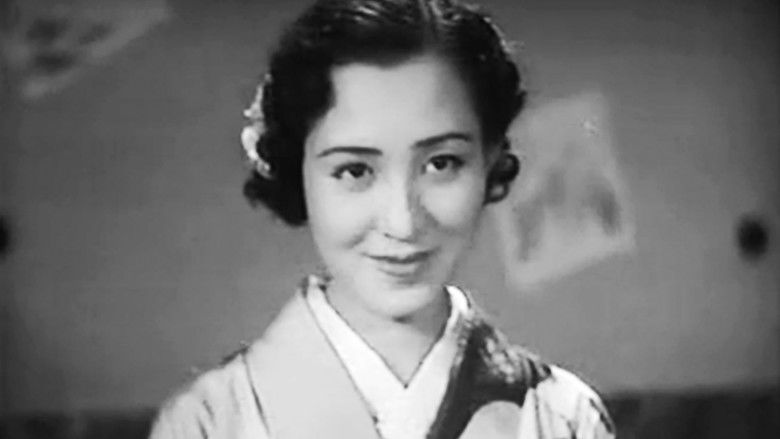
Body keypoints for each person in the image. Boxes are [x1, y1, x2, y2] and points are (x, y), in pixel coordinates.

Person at [150, 0, 615, 438]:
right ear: (297, 170)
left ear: (489, 160)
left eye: (441, 164)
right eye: (355, 171)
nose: (403, 223)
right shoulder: (208, 423)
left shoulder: (563, 419)